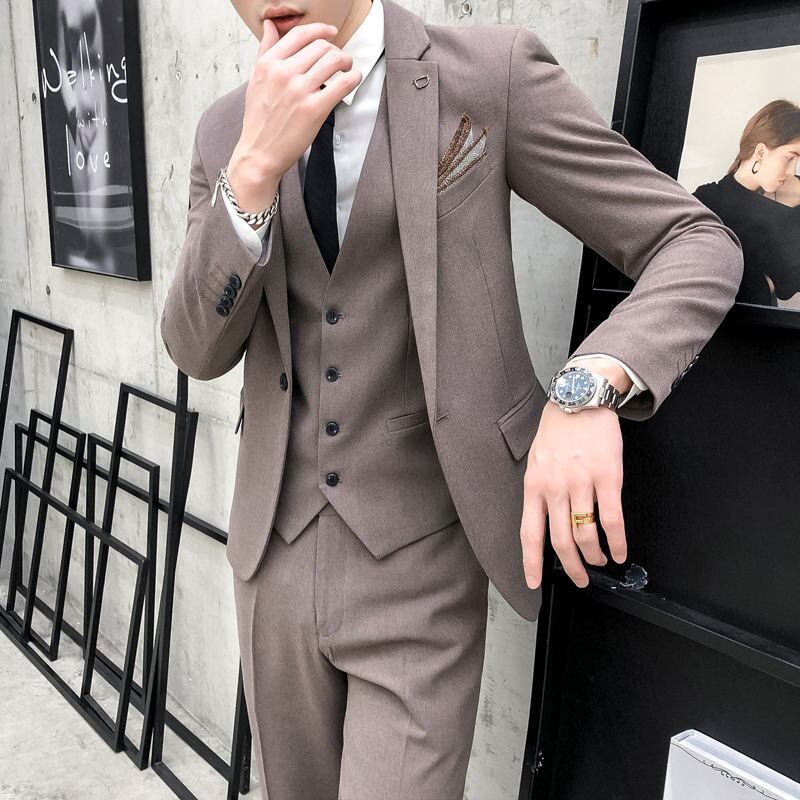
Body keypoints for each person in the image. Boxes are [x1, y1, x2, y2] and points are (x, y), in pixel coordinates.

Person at [160, 0, 744, 796]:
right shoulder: (225, 131)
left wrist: (588, 388)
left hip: (422, 567)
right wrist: (254, 170)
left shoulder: (489, 76)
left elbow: (695, 241)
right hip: (271, 559)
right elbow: (196, 349)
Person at [692, 99, 800, 306]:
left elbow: (789, 283)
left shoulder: (794, 194)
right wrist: (760, 284)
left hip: (765, 320)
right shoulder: (707, 201)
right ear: (760, 152)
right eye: (789, 158)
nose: (791, 171)